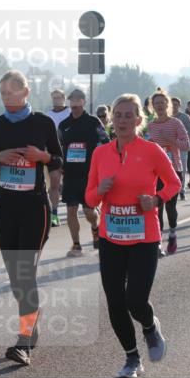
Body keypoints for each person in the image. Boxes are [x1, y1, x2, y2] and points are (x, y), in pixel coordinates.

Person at [85, 94, 180, 378]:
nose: (123, 120)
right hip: (111, 237)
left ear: (139, 121)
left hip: (144, 237)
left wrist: (156, 198)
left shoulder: (151, 151)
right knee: (115, 301)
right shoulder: (100, 154)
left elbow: (173, 182)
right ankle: (131, 358)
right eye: (118, 115)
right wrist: (100, 189)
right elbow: (89, 199)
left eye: (129, 116)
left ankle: (150, 328)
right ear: (112, 121)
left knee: (135, 300)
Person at [0, 70, 63, 366]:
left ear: (25, 92)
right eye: (1, 93)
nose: (5, 97)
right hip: (5, 208)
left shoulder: (42, 123)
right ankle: (32, 321)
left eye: (10, 92)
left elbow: (58, 159)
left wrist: (43, 158)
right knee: (16, 276)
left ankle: (24, 339)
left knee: (25, 271)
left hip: (34, 208)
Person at [58, 88, 108, 256]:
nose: (75, 105)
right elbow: (56, 147)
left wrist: (99, 161)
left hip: (89, 175)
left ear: (83, 102)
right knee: (71, 210)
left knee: (89, 212)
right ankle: (76, 244)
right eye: (72, 102)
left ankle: (95, 227)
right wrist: (58, 165)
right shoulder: (63, 125)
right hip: (70, 175)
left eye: (78, 102)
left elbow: (105, 141)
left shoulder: (93, 122)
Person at [146, 90, 190, 255]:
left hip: (173, 169)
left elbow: (187, 145)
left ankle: (172, 234)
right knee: (157, 207)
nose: (159, 106)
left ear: (167, 105)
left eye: (162, 103)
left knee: (171, 207)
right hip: (154, 171)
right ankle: (157, 242)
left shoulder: (176, 123)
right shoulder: (150, 126)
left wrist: (170, 140)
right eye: (156, 103)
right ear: (152, 106)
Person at [45, 89, 71, 227]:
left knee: (71, 185)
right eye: (54, 98)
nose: (56, 101)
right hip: (54, 153)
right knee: (54, 184)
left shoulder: (70, 113)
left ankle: (74, 210)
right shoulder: (47, 115)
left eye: (58, 98)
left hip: (70, 153)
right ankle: (54, 214)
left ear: (64, 98)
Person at [169, 96, 190, 199]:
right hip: (169, 148)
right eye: (172, 104)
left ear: (179, 106)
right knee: (169, 169)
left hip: (182, 148)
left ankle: (182, 190)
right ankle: (171, 190)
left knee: (182, 169)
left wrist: (180, 135)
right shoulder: (165, 117)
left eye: (176, 105)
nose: (174, 106)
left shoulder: (185, 117)